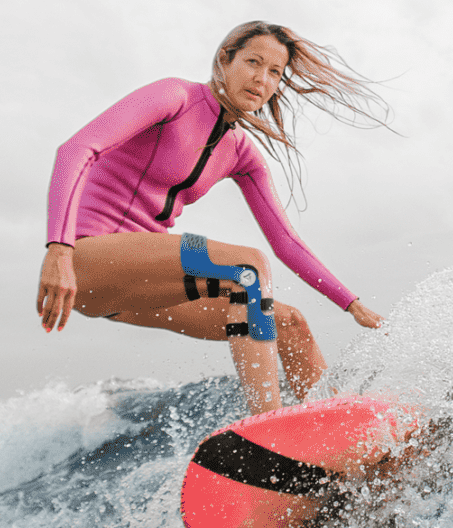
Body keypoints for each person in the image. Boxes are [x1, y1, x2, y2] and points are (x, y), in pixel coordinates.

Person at [37, 21, 388, 414]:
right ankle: (266, 428)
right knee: (247, 266)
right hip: (87, 260)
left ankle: (332, 435)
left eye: (275, 73)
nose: (262, 79)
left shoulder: (241, 153)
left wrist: (352, 304)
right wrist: (60, 251)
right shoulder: (176, 97)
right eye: (253, 62)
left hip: (140, 291)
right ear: (226, 59)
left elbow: (286, 242)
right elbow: (75, 149)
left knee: (288, 322)